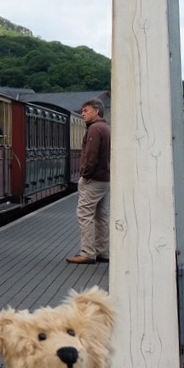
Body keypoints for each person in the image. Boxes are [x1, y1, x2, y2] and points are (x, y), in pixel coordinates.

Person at [68, 99, 110, 264]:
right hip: (105, 179)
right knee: (102, 216)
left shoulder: (94, 129)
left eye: (86, 110)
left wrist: (85, 175)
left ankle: (87, 252)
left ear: (96, 111)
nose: (82, 113)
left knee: (85, 214)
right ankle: (104, 251)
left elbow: (91, 157)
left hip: (93, 179)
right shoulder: (106, 128)